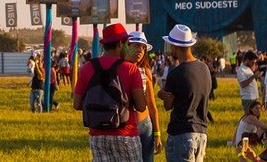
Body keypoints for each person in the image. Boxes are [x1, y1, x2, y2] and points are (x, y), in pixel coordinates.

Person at [73, 23, 147, 161]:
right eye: (126, 43)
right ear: (120, 43)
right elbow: (141, 107)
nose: (127, 47)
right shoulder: (131, 69)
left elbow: (77, 104)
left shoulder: (87, 67)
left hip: (97, 136)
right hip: (126, 134)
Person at [157, 24, 211, 162]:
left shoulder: (175, 73)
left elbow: (168, 106)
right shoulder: (204, 68)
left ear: (174, 47)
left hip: (182, 133)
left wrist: (162, 94)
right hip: (201, 132)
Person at [124, 31, 162, 162]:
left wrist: (157, 133)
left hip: (145, 126)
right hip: (126, 126)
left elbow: (151, 104)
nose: (140, 50)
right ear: (127, 46)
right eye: (136, 45)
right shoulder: (119, 69)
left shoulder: (145, 71)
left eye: (143, 47)